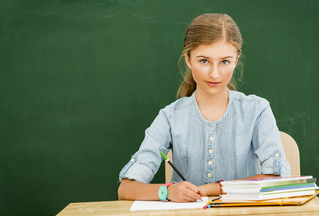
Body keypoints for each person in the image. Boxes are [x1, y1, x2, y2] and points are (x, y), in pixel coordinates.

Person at [117, 13, 291, 203]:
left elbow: (279, 182)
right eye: (204, 61)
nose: (214, 74)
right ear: (188, 60)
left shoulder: (257, 110)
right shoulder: (170, 116)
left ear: (236, 59)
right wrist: (168, 191)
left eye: (225, 61)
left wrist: (211, 189)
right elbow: (126, 189)